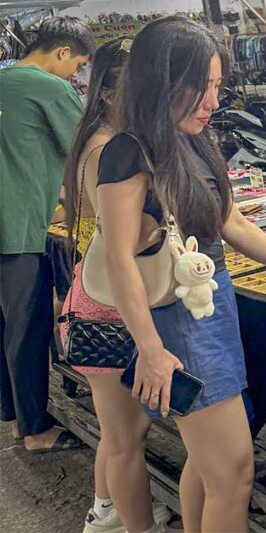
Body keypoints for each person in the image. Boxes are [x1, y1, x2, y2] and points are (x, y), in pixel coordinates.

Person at [97, 17, 266, 532]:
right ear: (162, 81)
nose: (212, 100)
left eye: (216, 87)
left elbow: (230, 219)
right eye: (200, 87)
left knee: (209, 473)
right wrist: (151, 349)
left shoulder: (194, 141)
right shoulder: (129, 151)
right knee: (233, 476)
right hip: (178, 320)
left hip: (213, 303)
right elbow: (119, 258)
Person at [58, 37, 174, 533]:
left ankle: (107, 508)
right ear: (108, 92)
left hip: (97, 295)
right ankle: (133, 524)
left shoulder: (96, 140)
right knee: (127, 436)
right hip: (108, 305)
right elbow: (126, 237)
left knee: (120, 432)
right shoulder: (111, 149)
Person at [0, 16, 94, 453]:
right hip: (17, 226)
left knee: (6, 327)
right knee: (29, 328)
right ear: (60, 53)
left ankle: (16, 417)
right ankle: (36, 430)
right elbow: (89, 149)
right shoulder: (48, 87)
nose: (74, 76)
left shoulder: (4, 79)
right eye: (76, 66)